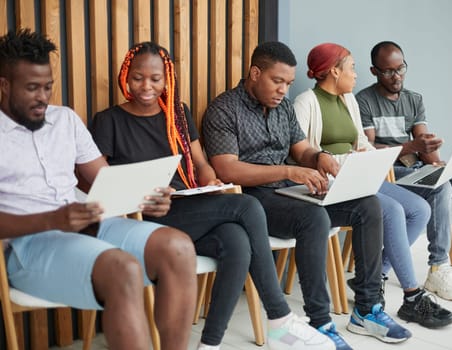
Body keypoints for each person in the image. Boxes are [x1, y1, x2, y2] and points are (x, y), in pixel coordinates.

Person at [90, 41, 336, 350]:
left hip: (186, 207)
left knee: (236, 241)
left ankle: (210, 344)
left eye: (155, 78)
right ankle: (279, 318)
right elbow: (100, 182)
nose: (146, 86)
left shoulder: (178, 114)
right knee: (246, 206)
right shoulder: (108, 121)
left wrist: (210, 179)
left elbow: (201, 163)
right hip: (145, 216)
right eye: (138, 77)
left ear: (167, 79)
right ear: (126, 75)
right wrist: (139, 194)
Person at [202, 40, 413, 347]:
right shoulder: (224, 109)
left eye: (288, 83)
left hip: (288, 191)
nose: (283, 91)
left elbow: (301, 149)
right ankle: (320, 322)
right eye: (277, 82)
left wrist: (318, 158)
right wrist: (289, 171)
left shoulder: (283, 107)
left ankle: (367, 310)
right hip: (251, 200)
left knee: (367, 206)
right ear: (255, 73)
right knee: (313, 218)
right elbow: (227, 170)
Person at [0, 29, 197, 350]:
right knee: (124, 269)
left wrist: (147, 198)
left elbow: (106, 181)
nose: (43, 97)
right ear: (4, 85)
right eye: (32, 88)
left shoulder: (65, 120)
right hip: (29, 247)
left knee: (178, 247)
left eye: (48, 87)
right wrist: (53, 220)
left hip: (89, 226)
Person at [293, 42, 452, 329]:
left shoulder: (348, 100)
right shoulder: (306, 102)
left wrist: (366, 155)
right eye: (351, 68)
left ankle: (376, 275)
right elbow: (301, 152)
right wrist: (343, 159)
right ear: (333, 71)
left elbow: (363, 142)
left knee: (419, 209)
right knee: (391, 210)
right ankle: (412, 297)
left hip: (359, 176)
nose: (355, 75)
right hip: (330, 184)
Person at [356, 40, 452, 301]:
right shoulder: (364, 100)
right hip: (389, 172)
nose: (396, 76)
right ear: (374, 70)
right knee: (439, 187)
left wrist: (435, 155)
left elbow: (425, 146)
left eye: (401, 68)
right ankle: (438, 267)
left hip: (417, 166)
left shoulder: (414, 99)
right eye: (388, 71)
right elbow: (369, 149)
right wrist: (412, 146)